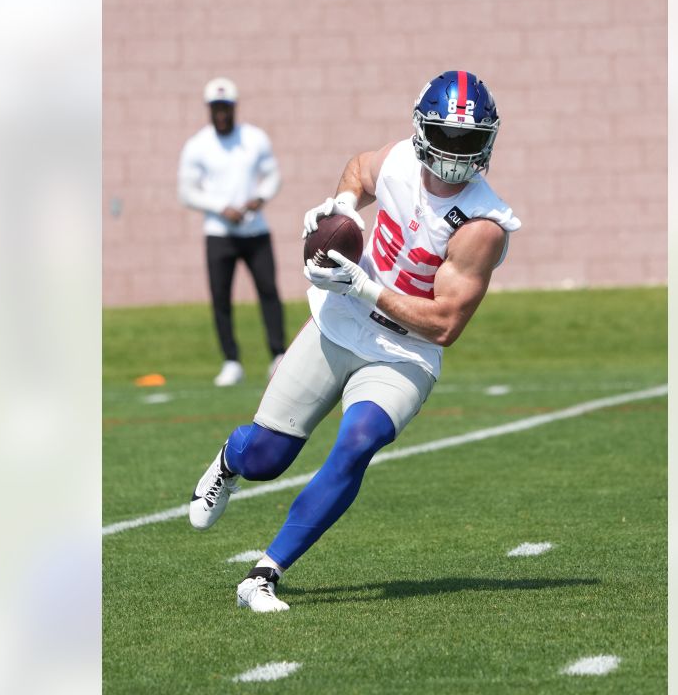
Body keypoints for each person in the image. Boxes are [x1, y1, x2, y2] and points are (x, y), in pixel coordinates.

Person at [188, 70, 521, 612]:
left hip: (404, 351)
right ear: (420, 130)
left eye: (469, 140)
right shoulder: (396, 160)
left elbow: (444, 325)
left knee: (359, 440)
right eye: (446, 136)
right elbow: (359, 171)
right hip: (339, 320)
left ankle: (264, 574)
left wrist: (367, 287)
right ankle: (230, 460)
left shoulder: (483, 224)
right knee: (269, 457)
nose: (457, 153)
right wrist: (340, 206)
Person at [177, 77, 286, 386]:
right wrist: (220, 207)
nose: (221, 114)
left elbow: (272, 176)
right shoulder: (197, 145)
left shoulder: (254, 138)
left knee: (268, 291)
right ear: (208, 109)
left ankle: (278, 355)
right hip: (218, 233)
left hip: (255, 230)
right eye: (216, 108)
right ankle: (231, 361)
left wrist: (260, 198)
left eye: (226, 107)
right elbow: (187, 192)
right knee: (221, 297)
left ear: (234, 107)